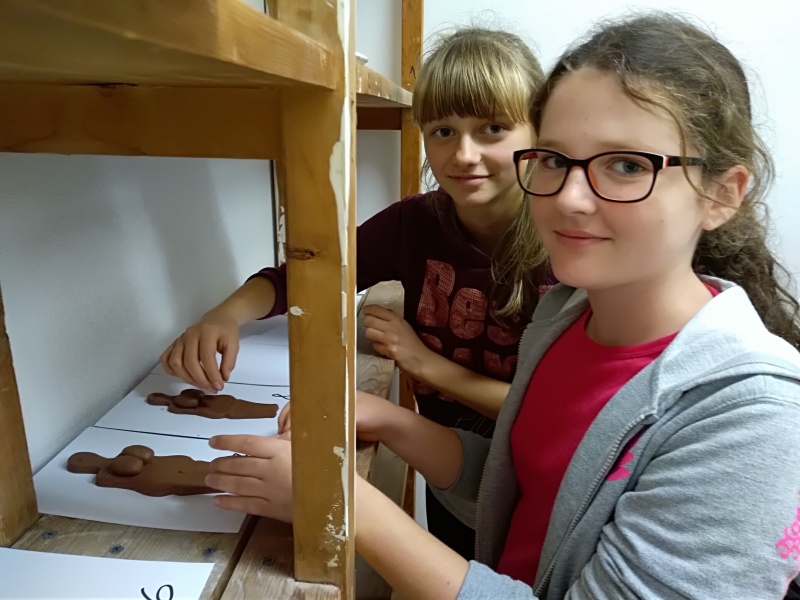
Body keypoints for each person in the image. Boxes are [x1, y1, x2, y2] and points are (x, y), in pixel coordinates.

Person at [204, 12, 800, 599]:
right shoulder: (565, 318)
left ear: (722, 194)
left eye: (626, 165)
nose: (569, 198)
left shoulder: (752, 422)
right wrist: (392, 420)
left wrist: (343, 502)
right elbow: (523, 490)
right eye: (556, 160)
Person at [161, 26, 550, 559]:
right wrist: (224, 314)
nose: (464, 154)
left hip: (533, 479)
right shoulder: (415, 222)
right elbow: (308, 275)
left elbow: (550, 409)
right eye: (442, 131)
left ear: (539, 132)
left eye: (493, 129)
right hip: (443, 465)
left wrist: (424, 363)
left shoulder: (563, 243)